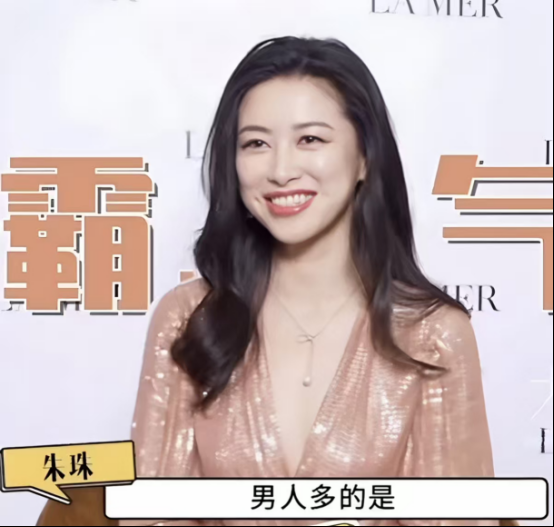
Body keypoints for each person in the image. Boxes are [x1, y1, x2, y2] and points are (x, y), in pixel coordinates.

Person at [121, 36, 498, 526]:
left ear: (365, 157)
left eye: (311, 140)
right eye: (256, 143)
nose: (280, 171)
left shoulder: (432, 334)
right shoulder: (189, 320)